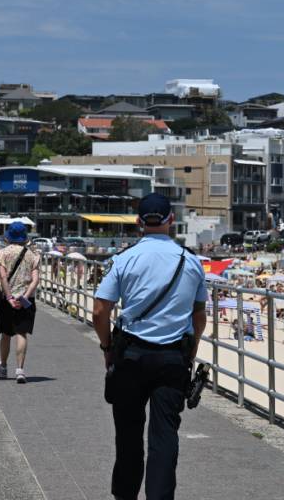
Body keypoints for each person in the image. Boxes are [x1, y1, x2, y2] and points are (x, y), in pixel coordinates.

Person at [92, 193, 207, 500]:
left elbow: (100, 311)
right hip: (173, 358)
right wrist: (190, 355)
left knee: (128, 436)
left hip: (130, 356)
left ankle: (125, 495)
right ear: (171, 220)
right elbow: (199, 317)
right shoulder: (191, 261)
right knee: (165, 437)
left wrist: (106, 349)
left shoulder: (124, 259)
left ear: (138, 223)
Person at [0, 222, 42, 383]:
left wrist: (9, 298)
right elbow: (35, 280)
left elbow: (3, 278)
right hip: (26, 300)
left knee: (6, 334)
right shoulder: (32, 255)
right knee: (21, 334)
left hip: (7, 300)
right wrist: (24, 297)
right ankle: (20, 370)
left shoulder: (2, 254)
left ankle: (4, 368)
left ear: (8, 236)